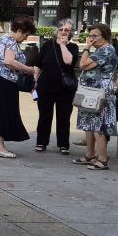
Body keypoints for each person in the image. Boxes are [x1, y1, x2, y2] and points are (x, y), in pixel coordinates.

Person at [0, 16, 38, 158]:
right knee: (4, 112)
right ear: (19, 31)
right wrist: (29, 70)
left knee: (1, 112)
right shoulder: (11, 42)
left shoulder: (4, 40)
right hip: (4, 81)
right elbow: (9, 61)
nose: (25, 38)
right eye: (26, 35)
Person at [75, 23, 118, 171]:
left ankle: (103, 158)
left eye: (95, 36)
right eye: (90, 36)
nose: (91, 39)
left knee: (98, 126)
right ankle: (90, 154)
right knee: (88, 124)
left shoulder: (105, 50)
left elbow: (83, 64)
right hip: (91, 92)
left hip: (100, 93)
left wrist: (86, 48)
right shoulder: (101, 50)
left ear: (104, 36)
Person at [32, 19, 78, 155]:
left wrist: (63, 45)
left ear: (71, 33)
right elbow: (37, 65)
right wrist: (34, 81)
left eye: (67, 30)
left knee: (64, 117)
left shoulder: (73, 47)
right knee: (44, 115)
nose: (63, 32)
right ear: (56, 31)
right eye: (61, 29)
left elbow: (69, 61)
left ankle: (63, 144)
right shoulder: (47, 45)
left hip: (65, 88)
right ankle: (41, 142)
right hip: (45, 86)